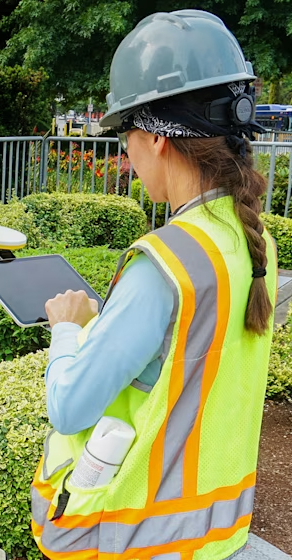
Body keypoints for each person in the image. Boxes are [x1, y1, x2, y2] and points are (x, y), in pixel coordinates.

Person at [30, 9, 278, 560]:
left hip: (139, 538)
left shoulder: (161, 265)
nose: (125, 154)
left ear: (157, 138)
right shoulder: (251, 239)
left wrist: (68, 331)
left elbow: (68, 408)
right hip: (216, 536)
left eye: (125, 135)